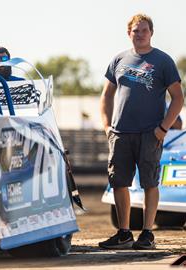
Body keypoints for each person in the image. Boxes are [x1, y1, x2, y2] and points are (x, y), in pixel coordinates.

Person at [99, 14, 183, 250]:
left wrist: (163, 128)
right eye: (136, 30)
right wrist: (107, 127)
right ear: (129, 33)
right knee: (119, 182)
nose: (140, 34)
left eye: (144, 30)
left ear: (151, 33)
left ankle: (147, 234)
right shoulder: (119, 60)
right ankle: (124, 233)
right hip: (121, 133)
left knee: (149, 183)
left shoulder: (163, 61)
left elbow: (178, 98)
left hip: (150, 133)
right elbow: (106, 95)